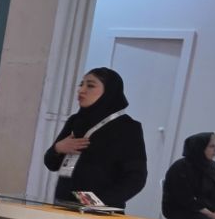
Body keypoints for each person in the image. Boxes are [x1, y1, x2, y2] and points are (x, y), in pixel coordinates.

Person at [42, 67, 147, 209]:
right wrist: (58, 148)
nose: (81, 90)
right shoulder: (75, 121)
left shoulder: (127, 127)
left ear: (109, 91)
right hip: (64, 203)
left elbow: (136, 178)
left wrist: (96, 202)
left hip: (101, 210)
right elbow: (51, 163)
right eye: (81, 85)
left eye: (90, 86)